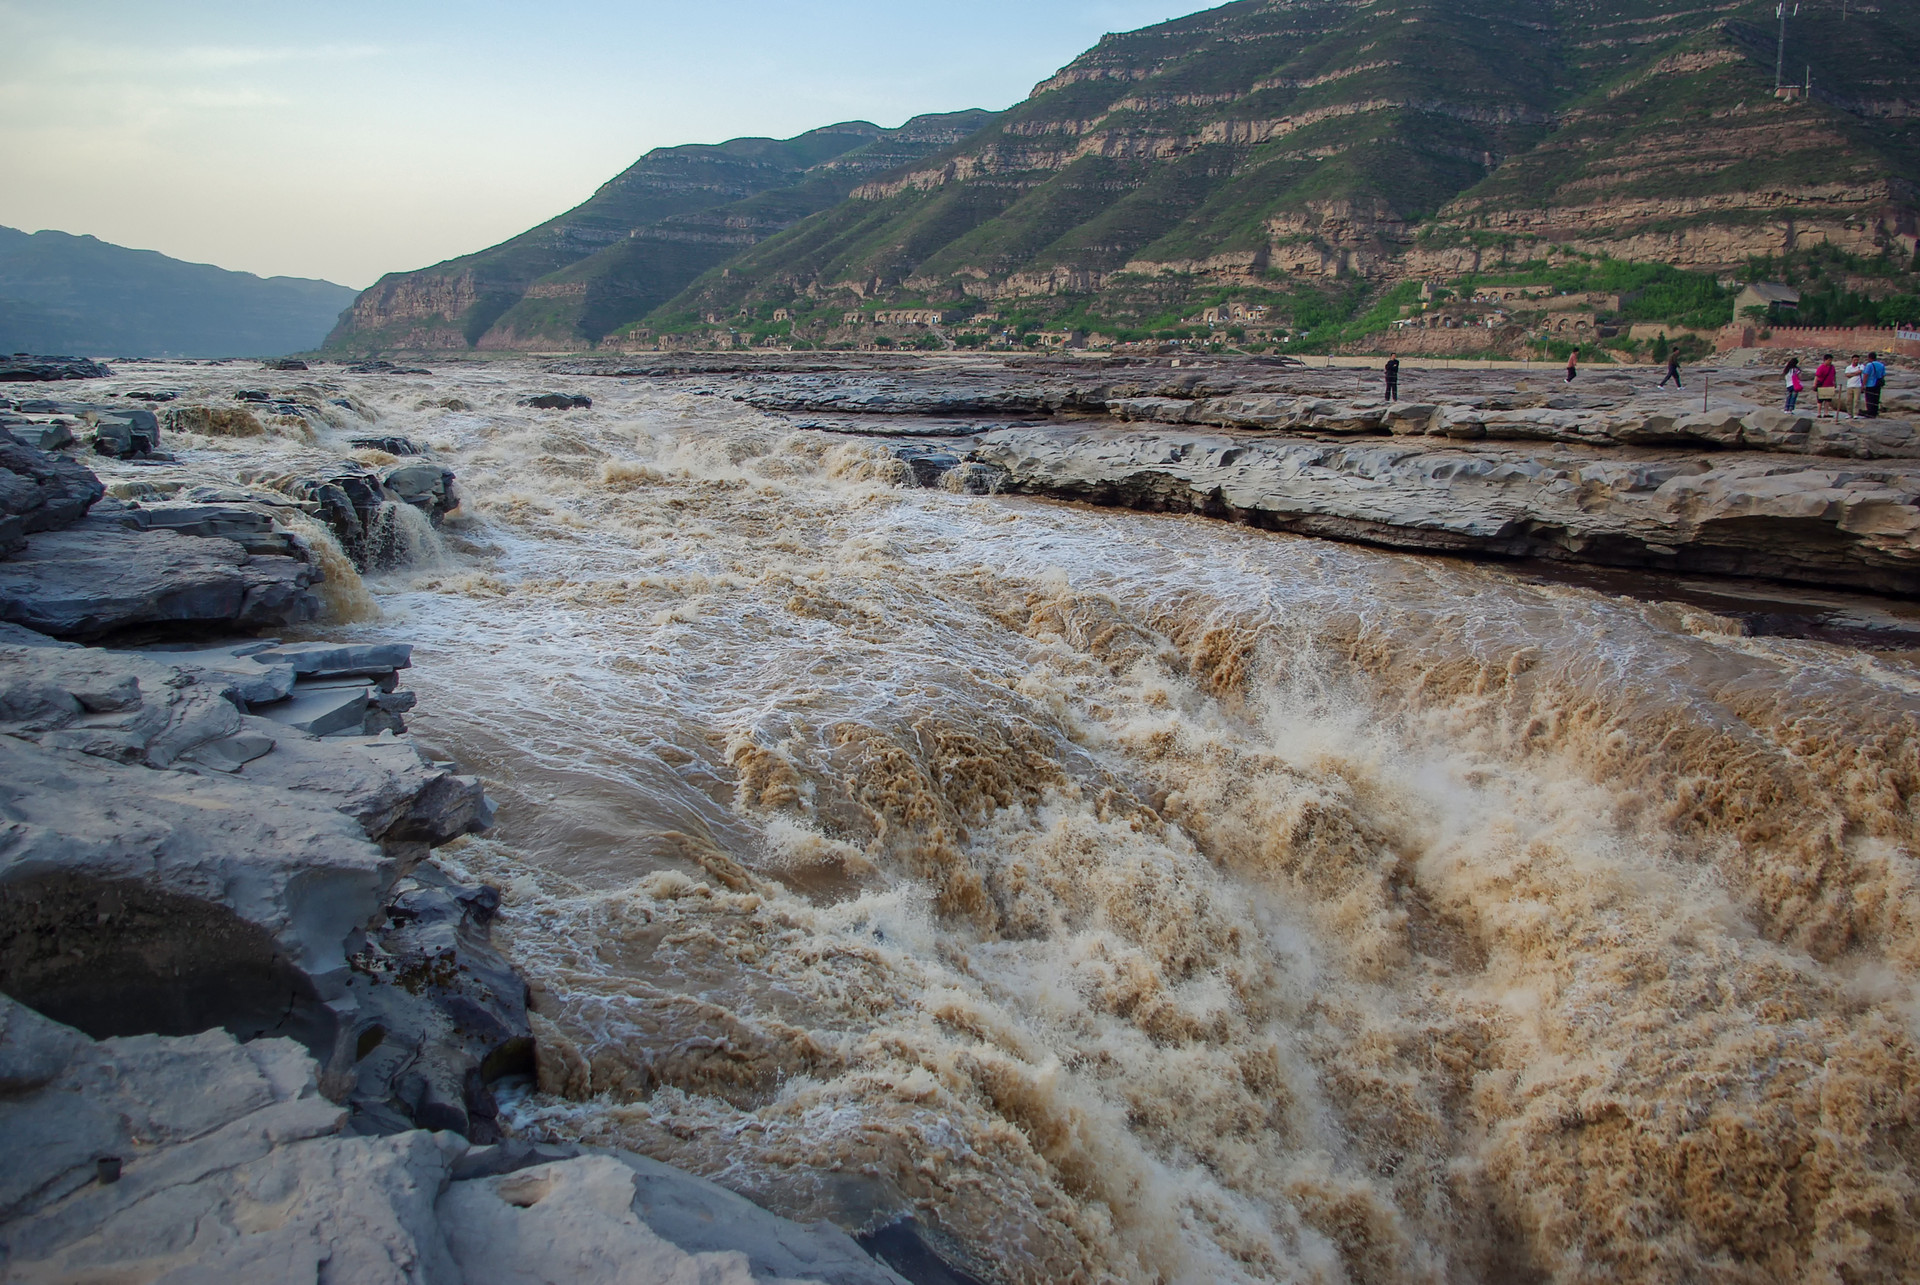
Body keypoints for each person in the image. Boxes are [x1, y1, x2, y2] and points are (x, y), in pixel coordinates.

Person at [1864, 351, 1887, 417]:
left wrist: (1863, 384)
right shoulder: (1881, 365)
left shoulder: (1869, 365)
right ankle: (1875, 412)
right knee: (1876, 398)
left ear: (1869, 358)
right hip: (1878, 384)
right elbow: (1883, 375)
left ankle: (1870, 412)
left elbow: (1866, 375)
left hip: (1870, 384)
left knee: (1869, 399)